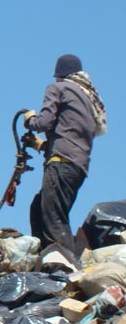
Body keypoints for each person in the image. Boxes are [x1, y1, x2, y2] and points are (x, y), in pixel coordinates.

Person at [24, 54, 106, 253]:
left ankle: (64, 264)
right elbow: (70, 137)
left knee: (53, 218)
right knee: (39, 209)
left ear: (59, 75)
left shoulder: (58, 88)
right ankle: (46, 258)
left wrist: (30, 120)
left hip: (61, 162)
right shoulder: (87, 99)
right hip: (76, 167)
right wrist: (40, 146)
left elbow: (44, 122)